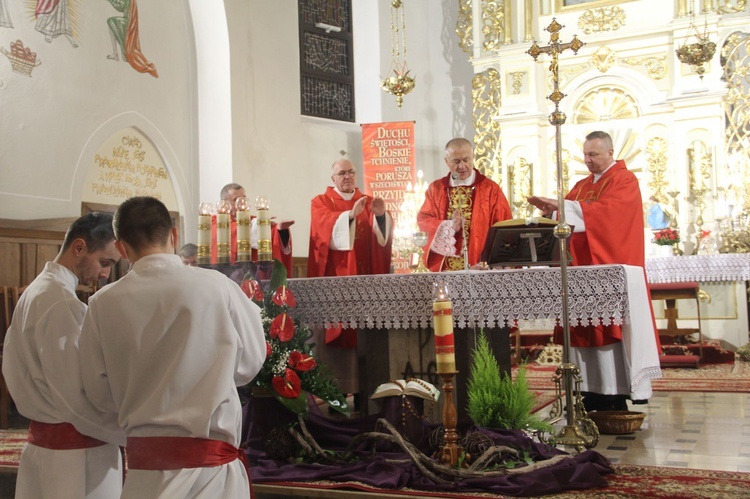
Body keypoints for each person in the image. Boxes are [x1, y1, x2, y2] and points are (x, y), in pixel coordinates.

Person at [79, 197, 267, 498]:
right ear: (175, 235)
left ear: (121, 248)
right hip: (213, 476)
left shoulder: (102, 303)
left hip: (145, 477)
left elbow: (98, 393)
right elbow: (251, 363)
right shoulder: (217, 286)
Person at [527, 130, 660, 412]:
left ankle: (614, 393)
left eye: (594, 154)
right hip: (581, 277)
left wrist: (563, 207)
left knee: (606, 329)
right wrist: (549, 212)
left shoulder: (624, 180)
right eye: (585, 154)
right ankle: (588, 391)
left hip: (610, 274)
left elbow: (610, 215)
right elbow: (567, 217)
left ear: (610, 153)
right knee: (583, 329)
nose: (588, 160)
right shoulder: (582, 185)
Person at [3, 212, 124, 498]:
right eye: (104, 262)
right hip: (76, 455)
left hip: (47, 446)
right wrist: (129, 430)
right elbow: (77, 392)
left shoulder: (38, 290)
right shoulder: (60, 302)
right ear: (79, 247)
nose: (106, 274)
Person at [307, 159, 394, 405]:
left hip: (365, 286)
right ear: (332, 178)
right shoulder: (321, 201)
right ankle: (335, 392)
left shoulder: (368, 201)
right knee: (339, 332)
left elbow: (382, 239)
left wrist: (380, 217)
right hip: (335, 285)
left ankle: (365, 388)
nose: (347, 176)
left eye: (351, 172)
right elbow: (321, 232)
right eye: (341, 173)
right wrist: (348, 216)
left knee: (364, 333)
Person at [417, 138, 512, 271]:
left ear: (473, 157)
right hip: (444, 272)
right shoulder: (436, 189)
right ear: (446, 161)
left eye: (466, 160)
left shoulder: (490, 189)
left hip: (480, 269)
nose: (461, 166)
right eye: (456, 161)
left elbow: (504, 227)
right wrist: (447, 226)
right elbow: (424, 221)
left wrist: (491, 263)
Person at [211, 182, 294, 276]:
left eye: (244, 198)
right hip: (227, 274)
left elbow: (270, 233)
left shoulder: (253, 221)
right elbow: (228, 231)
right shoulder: (216, 222)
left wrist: (280, 230)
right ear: (225, 204)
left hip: (254, 275)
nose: (242, 202)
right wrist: (256, 225)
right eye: (236, 199)